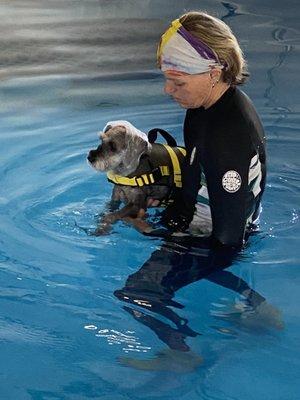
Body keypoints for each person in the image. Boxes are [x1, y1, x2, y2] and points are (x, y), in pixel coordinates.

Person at [142, 11, 266, 250]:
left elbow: (229, 241)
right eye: (167, 79)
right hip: (194, 223)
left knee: (134, 290)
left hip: (211, 247)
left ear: (213, 74)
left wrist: (150, 233)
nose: (168, 90)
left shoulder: (228, 135)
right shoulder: (203, 108)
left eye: (178, 82)